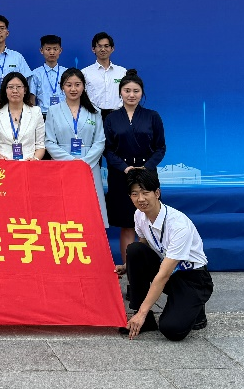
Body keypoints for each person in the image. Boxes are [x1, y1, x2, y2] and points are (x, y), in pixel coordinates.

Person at [119, 168, 213, 342]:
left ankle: (196, 308)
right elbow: (144, 246)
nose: (140, 199)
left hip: (192, 277)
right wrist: (127, 267)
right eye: (135, 194)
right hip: (169, 270)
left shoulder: (178, 225)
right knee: (134, 250)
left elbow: (163, 275)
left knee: (172, 329)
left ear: (157, 193)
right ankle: (146, 321)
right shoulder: (139, 215)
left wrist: (141, 313)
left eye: (145, 193)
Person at [103, 69, 166, 270]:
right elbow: (108, 149)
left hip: (147, 175)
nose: (131, 95)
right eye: (127, 90)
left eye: (136, 91)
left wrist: (146, 167)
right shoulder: (111, 118)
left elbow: (160, 147)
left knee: (149, 223)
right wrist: (124, 168)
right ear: (120, 92)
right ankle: (130, 272)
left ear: (142, 93)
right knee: (128, 224)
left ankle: (150, 270)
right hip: (121, 176)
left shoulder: (152, 116)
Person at [45, 67, 108, 226]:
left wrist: (84, 162)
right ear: (62, 87)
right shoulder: (53, 111)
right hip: (62, 165)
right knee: (64, 209)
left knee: (89, 209)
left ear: (84, 86)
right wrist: (71, 162)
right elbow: (49, 142)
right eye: (69, 85)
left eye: (77, 84)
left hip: (89, 165)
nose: (73, 89)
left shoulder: (95, 111)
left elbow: (100, 141)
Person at [0, 71, 45, 161]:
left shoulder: (36, 112)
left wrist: (35, 159)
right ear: (5, 90)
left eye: (18, 87)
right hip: (5, 164)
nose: (15, 91)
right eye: (10, 87)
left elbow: (40, 145)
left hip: (29, 163)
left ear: (25, 90)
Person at [81, 32, 126, 118]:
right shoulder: (85, 73)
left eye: (106, 46)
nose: (103, 49)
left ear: (112, 49)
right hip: (93, 116)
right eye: (99, 46)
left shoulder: (122, 72)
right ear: (93, 49)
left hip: (118, 116)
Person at [26, 35, 64, 116]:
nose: (52, 52)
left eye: (55, 49)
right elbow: (32, 99)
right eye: (48, 49)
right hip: (43, 115)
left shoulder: (66, 73)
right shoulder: (35, 74)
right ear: (41, 50)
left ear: (60, 50)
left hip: (63, 114)